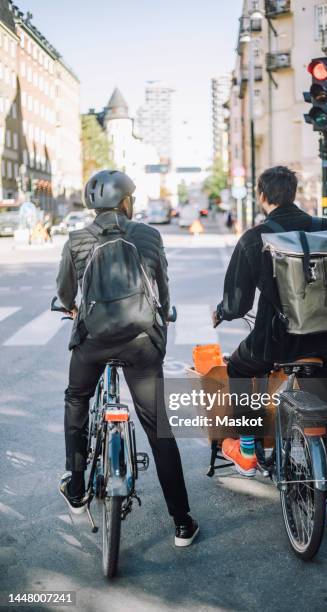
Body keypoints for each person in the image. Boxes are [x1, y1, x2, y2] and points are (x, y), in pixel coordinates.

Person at [57, 170, 198, 547]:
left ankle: (75, 485)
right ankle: (182, 521)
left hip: (94, 341)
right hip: (141, 342)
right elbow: (162, 289)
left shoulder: (76, 240)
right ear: (126, 201)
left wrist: (70, 308)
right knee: (157, 427)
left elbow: (66, 292)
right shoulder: (149, 236)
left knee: (76, 398)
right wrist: (164, 316)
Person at [213, 166, 327, 529]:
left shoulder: (254, 237)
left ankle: (246, 451)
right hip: (322, 342)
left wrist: (222, 313)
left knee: (240, 369)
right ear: (294, 193)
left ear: (263, 197)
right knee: (325, 415)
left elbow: (238, 303)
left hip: (272, 342)